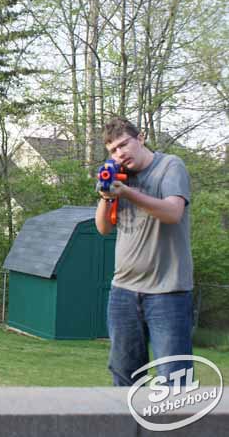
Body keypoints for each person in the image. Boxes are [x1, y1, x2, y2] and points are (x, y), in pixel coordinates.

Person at [95, 116, 193, 387]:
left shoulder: (170, 166)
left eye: (124, 144)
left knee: (174, 383)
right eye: (113, 150)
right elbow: (103, 228)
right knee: (124, 380)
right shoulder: (117, 176)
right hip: (123, 292)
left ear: (141, 137)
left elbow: (173, 212)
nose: (120, 153)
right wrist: (107, 197)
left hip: (168, 293)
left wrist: (126, 192)